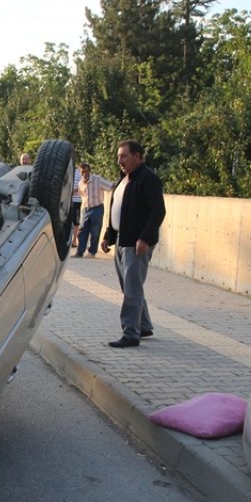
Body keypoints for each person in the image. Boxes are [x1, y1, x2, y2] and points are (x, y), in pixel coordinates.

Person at [100, 140, 166, 348]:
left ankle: (130, 333)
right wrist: (108, 236)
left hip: (136, 242)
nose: (120, 161)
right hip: (122, 239)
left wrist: (145, 238)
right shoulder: (124, 179)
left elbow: (158, 211)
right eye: (119, 156)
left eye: (124, 156)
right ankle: (143, 325)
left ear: (138, 156)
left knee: (132, 289)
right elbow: (116, 210)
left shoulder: (148, 179)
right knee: (130, 286)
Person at [74, 163, 113, 258]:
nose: (85, 174)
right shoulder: (80, 183)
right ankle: (79, 252)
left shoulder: (97, 180)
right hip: (85, 209)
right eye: (82, 172)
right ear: (80, 172)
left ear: (89, 171)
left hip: (97, 208)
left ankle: (92, 252)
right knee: (82, 231)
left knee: (95, 231)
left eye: (86, 171)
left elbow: (111, 186)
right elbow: (79, 192)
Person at [68, 167, 83, 247]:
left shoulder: (80, 172)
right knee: (67, 221)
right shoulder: (67, 170)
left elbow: (83, 184)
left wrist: (74, 191)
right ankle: (68, 240)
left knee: (76, 221)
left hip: (77, 200)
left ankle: (74, 241)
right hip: (67, 201)